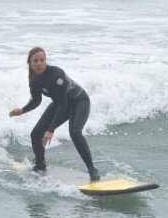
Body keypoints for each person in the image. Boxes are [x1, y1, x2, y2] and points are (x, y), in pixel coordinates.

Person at [9, 47, 100, 181]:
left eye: (42, 60)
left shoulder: (56, 74)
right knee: (36, 134)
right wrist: (23, 110)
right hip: (60, 103)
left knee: (75, 132)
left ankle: (92, 170)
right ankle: (40, 165)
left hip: (79, 101)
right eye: (35, 60)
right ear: (29, 63)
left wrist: (50, 130)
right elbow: (36, 100)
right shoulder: (34, 79)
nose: (39, 63)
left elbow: (63, 105)